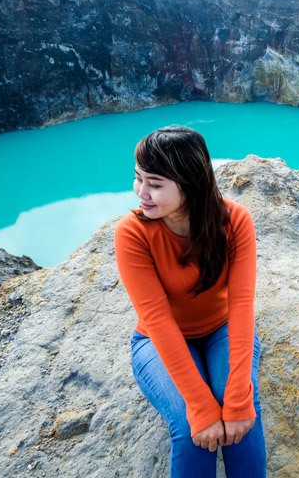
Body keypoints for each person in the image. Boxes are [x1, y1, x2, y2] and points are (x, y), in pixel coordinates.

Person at [114, 125, 266, 478]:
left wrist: (239, 398)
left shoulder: (235, 220)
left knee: (240, 412)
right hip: (156, 339)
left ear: (190, 183)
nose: (141, 192)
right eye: (138, 179)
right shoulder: (133, 232)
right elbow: (156, 318)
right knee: (191, 428)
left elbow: (242, 305)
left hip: (221, 328)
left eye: (154, 183)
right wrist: (200, 406)